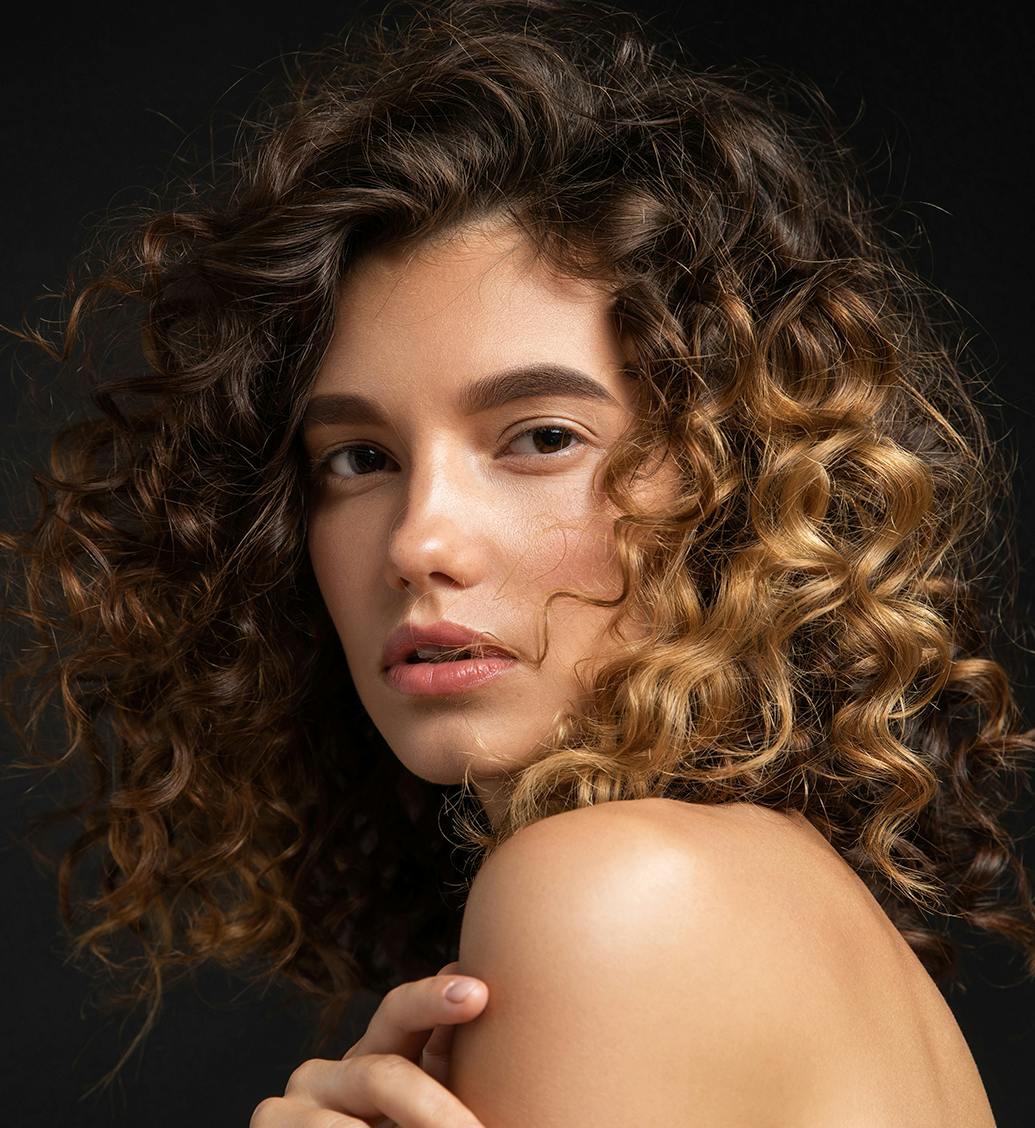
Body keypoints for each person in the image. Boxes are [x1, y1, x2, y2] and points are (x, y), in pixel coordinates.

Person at [1, 0, 1031, 1124]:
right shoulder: (759, 889)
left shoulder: (612, 893)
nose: (418, 541)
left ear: (730, 482)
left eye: (541, 437)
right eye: (357, 457)